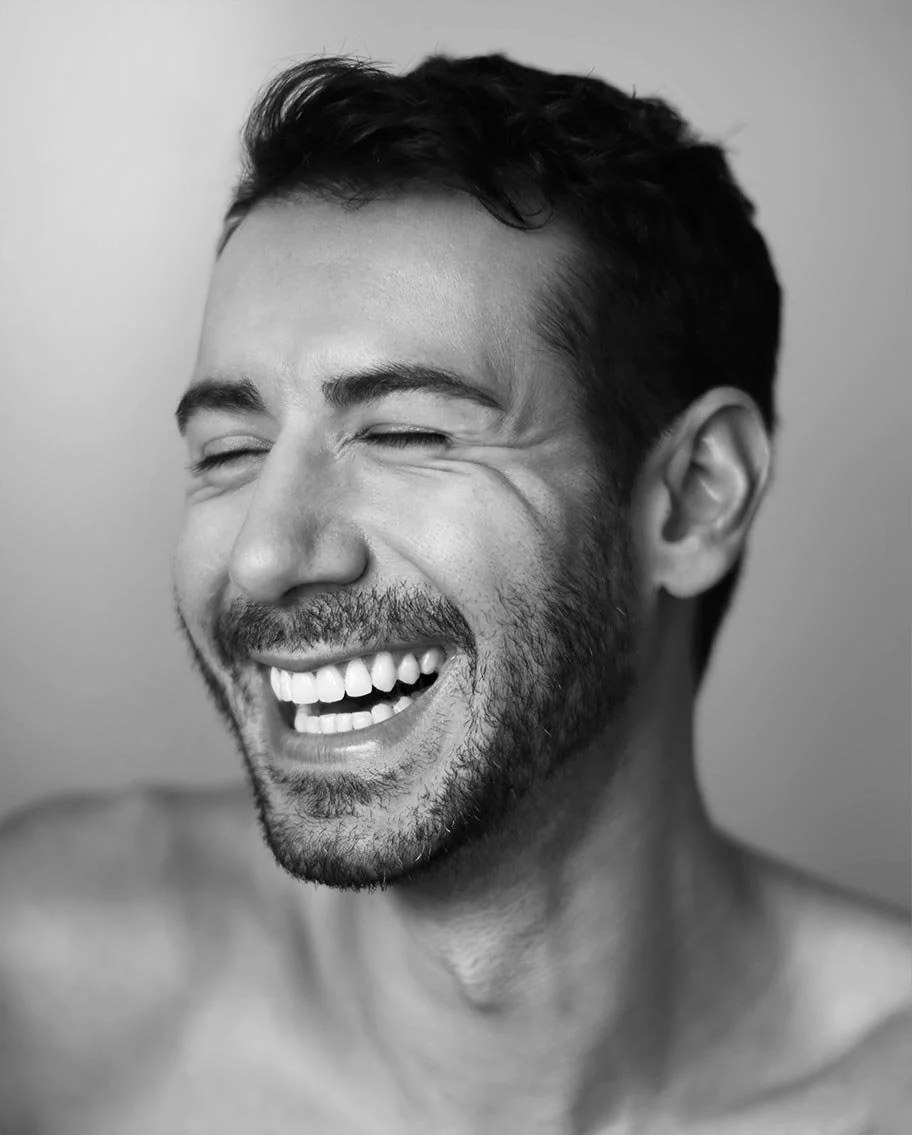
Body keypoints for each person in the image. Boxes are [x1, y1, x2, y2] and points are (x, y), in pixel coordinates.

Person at [1, 51, 908, 1135]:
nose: (261, 557)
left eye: (405, 433)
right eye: (228, 451)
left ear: (694, 499)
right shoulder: (40, 994)